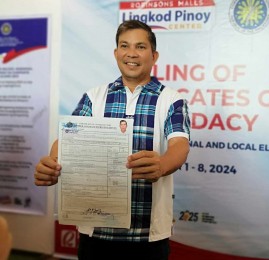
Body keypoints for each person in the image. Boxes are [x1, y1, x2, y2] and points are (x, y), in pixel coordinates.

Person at [34, 20, 190, 260]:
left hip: (147, 236)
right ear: (116, 53)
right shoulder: (93, 96)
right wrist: (53, 163)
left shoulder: (171, 99)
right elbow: (69, 139)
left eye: (140, 46)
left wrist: (162, 164)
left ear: (154, 55)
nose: (131, 53)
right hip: (95, 233)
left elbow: (179, 145)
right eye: (124, 46)